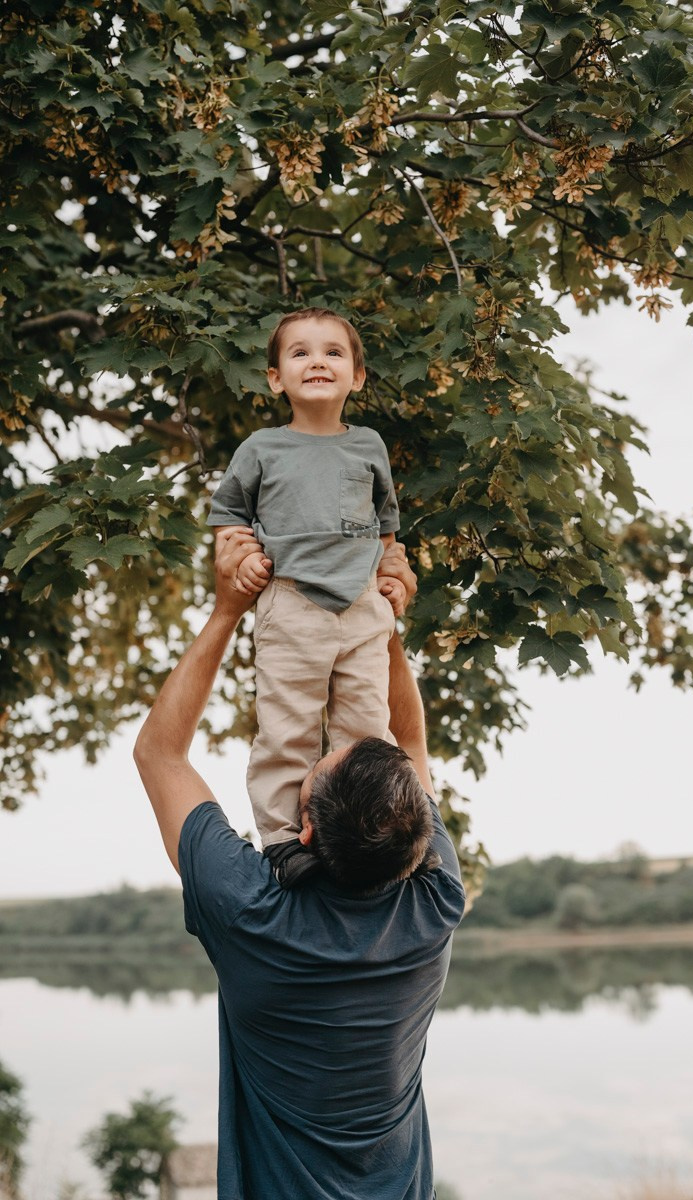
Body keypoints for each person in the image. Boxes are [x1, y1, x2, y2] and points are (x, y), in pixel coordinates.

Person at [133, 529, 466, 1200]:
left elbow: (160, 754)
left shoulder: (256, 914)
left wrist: (228, 608)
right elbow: (412, 739)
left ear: (305, 827)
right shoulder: (434, 902)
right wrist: (382, 623)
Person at [207, 307, 406, 885]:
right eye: (300, 352)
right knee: (286, 730)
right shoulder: (263, 448)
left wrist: (391, 571)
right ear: (276, 378)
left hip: (362, 606)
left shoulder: (369, 445)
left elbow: (386, 526)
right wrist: (239, 557)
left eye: (333, 352)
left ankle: (379, 831)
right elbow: (228, 517)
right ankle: (283, 843)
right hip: (292, 604)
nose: (317, 360)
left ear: (357, 376)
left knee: (369, 731)